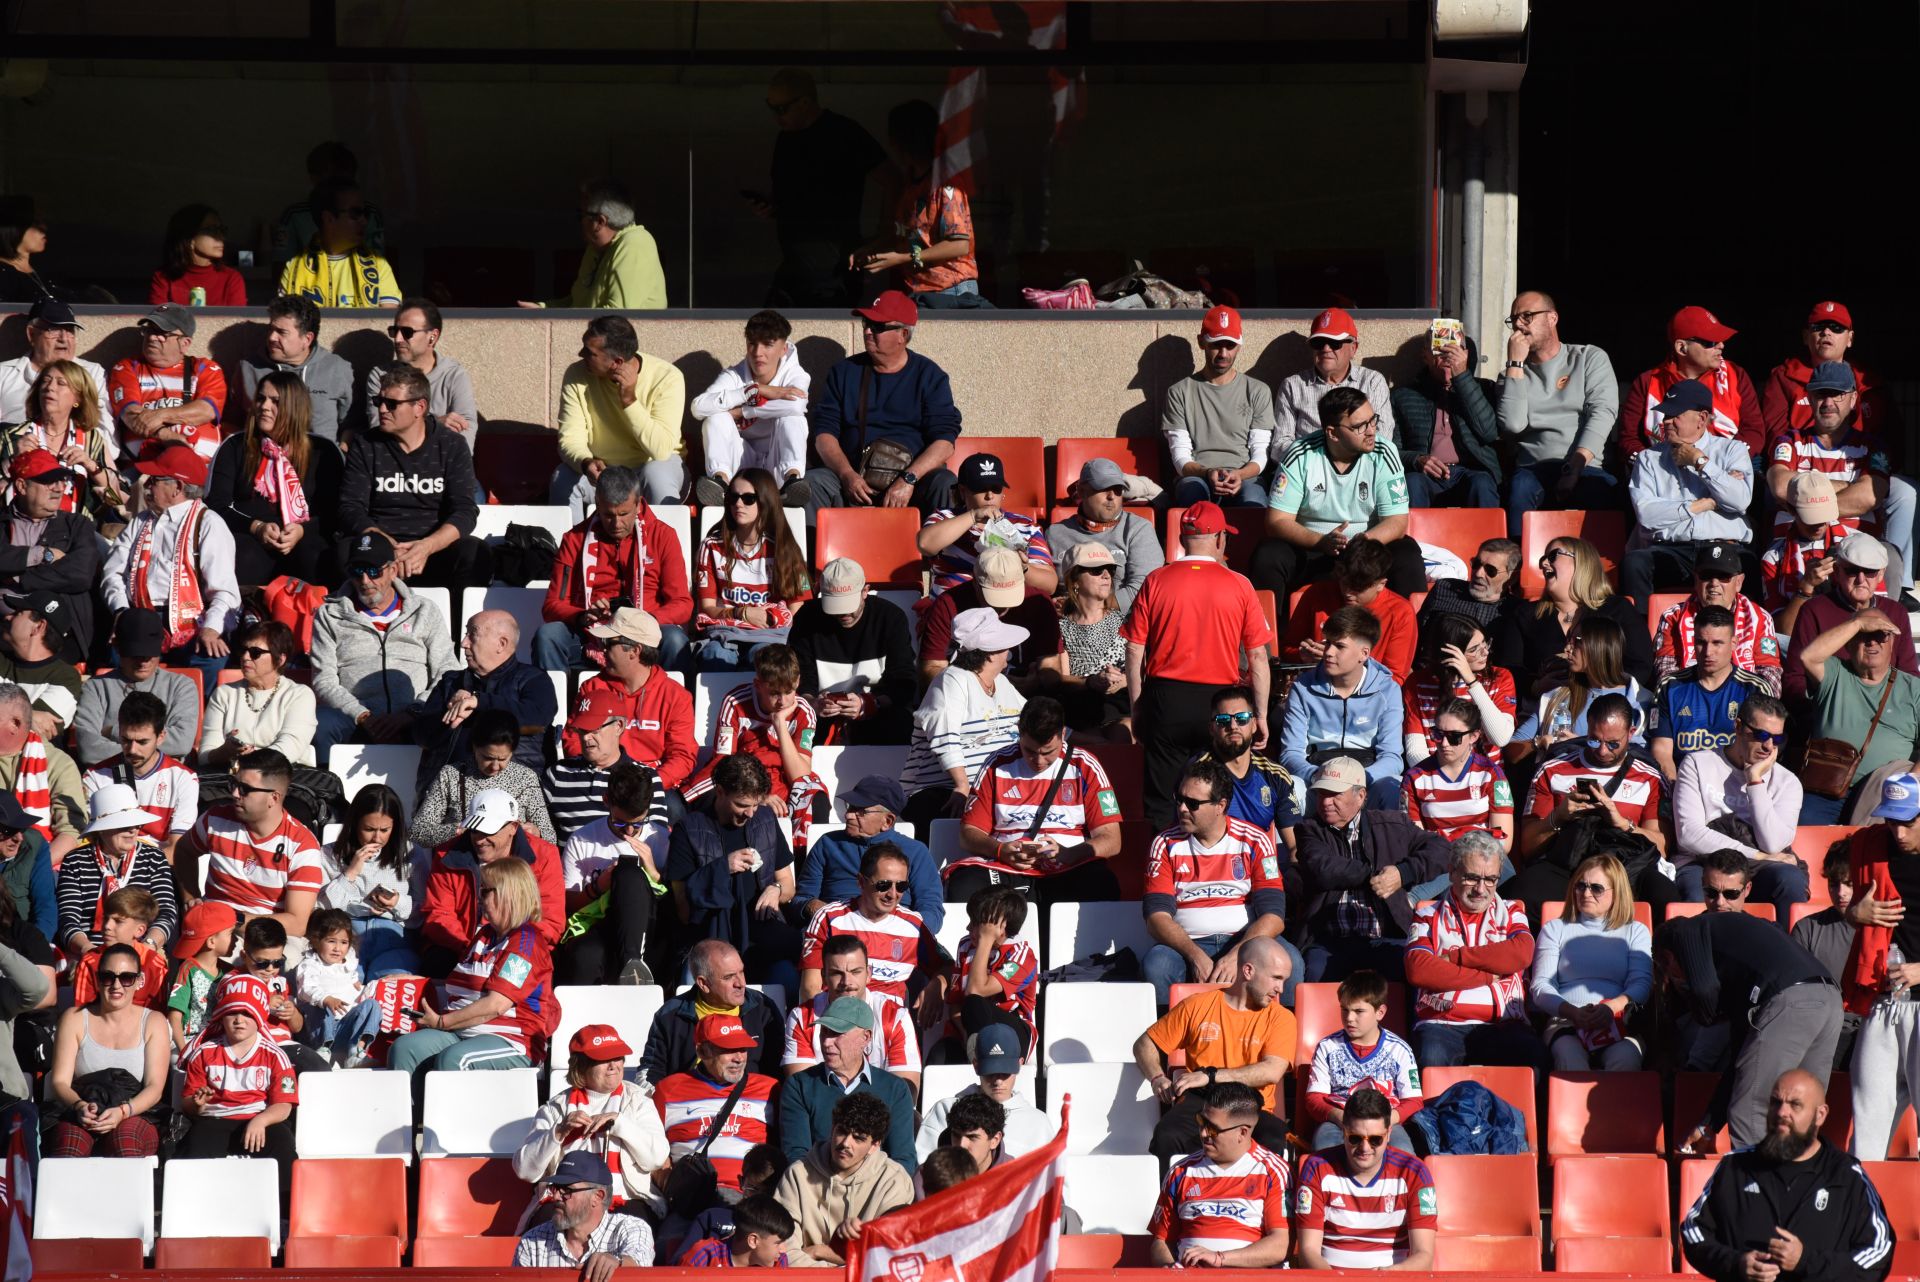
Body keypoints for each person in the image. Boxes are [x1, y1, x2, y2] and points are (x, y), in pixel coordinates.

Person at [1123, 502, 1273, 829]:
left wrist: (1137, 708)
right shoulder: (1240, 584)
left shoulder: (1156, 580)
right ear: (1220, 539)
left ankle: (1161, 870)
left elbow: (1134, 651)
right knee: (1218, 794)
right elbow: (1259, 657)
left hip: (1166, 699)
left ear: (1181, 536)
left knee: (1163, 801)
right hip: (1220, 702)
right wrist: (1259, 715)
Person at [1679, 1069, 1894, 1282]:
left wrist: (1805, 1262)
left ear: (1820, 1115)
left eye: (1795, 1105)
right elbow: (1693, 1231)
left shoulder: (1846, 1176)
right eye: (1775, 1102)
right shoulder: (1735, 1167)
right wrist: (1736, 1264)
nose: (1782, 1112)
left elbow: (1879, 1253)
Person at [1663, 913, 1843, 1151]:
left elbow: (1704, 991)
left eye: (1669, 969)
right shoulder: (1743, 975)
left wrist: (1705, 1016)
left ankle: (1756, 1186)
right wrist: (1709, 1124)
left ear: (1668, 957)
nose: (1676, 977)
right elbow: (1740, 1066)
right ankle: (1800, 1185)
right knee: (1802, 1109)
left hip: (1789, 1000)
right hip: (1829, 999)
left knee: (1749, 1112)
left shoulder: (1684, 931)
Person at [1255, 386, 1424, 613]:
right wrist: (1321, 542)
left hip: (1366, 546)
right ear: (1332, 433)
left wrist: (1362, 541)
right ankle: (1266, 643)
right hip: (1313, 547)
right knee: (1269, 554)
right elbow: (1276, 521)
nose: (1371, 431)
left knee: (1407, 553)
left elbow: (1397, 522)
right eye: (1359, 426)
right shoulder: (1301, 454)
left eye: (1372, 421)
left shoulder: (1385, 452)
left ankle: (1413, 639)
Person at [1143, 760, 1295, 1009]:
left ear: (1220, 806)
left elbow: (1274, 915)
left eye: (1192, 803)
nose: (1181, 808)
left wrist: (1237, 954)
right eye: (1179, 799)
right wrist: (1194, 954)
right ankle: (1166, 1046)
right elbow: (1156, 917)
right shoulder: (1164, 843)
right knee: (1157, 964)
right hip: (1187, 943)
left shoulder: (1255, 840)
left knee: (1292, 962)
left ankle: (1283, 1040)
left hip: (1245, 940)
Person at [947, 696, 1123, 904]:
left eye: (1048, 752)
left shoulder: (1086, 766)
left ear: (1063, 735)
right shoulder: (996, 764)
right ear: (1019, 733)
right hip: (1006, 866)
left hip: (1069, 866)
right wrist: (1000, 850)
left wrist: (1069, 854)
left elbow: (1112, 840)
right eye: (1029, 751)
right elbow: (968, 834)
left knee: (1102, 883)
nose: (1038, 761)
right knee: (963, 885)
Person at [1509, 693, 1670, 920]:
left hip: (1625, 865)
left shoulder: (1649, 778)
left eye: (1613, 743)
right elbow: (1527, 846)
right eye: (1594, 740)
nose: (1603, 751)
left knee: (1665, 896)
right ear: (1587, 731)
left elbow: (1661, 848)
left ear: (1631, 734)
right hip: (1568, 861)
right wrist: (1559, 816)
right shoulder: (1553, 770)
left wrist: (1622, 823)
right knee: (1525, 891)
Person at [1134, 936, 1294, 1162]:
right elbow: (1145, 1044)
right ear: (1248, 971)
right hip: (1202, 1101)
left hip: (1250, 1103)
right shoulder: (1198, 1005)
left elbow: (1272, 1071)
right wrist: (1157, 1077)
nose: (1280, 989)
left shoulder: (1281, 1018)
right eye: (1276, 978)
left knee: (1274, 1137)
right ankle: (1171, 1196)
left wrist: (1210, 1075)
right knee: (1167, 1135)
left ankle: (1263, 1198)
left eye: (1284, 980)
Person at [801, 290, 960, 517]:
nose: (867, 331)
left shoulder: (930, 376)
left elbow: (945, 441)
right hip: (853, 482)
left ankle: (943, 552)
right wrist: (847, 475)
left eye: (877, 326)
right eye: (867, 323)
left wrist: (909, 479)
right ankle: (811, 553)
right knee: (812, 483)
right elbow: (824, 434)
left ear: (902, 334)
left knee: (945, 483)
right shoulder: (844, 373)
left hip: (911, 483)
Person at [392, 856, 555, 1076]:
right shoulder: (485, 936)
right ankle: (413, 1111)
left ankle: (448, 1112)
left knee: (456, 1060)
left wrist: (442, 1021)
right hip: (462, 1032)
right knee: (405, 1049)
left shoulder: (526, 942)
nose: (479, 898)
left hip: (512, 1039)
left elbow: (497, 1004)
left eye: (485, 891)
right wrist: (411, 980)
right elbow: (462, 984)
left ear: (509, 894)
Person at [1295, 758, 1452, 982]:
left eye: (1335, 794)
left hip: (1386, 936)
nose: (1326, 802)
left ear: (1361, 796)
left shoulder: (1392, 824)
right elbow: (1323, 868)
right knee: (1316, 977)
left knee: (1413, 973)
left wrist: (1402, 873)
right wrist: (1376, 876)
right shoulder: (1309, 829)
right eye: (1321, 794)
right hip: (1329, 939)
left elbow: (1442, 849)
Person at [310, 531, 459, 764]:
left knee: (453, 720)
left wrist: (413, 712)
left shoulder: (425, 610)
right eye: (356, 571)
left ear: (392, 570)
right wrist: (362, 715)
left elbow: (447, 670)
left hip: (416, 714)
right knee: (321, 723)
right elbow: (324, 680)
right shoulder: (329, 615)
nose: (365, 581)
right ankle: (328, 796)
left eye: (373, 571)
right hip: (356, 716)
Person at [101, 442, 239, 689]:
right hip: (141, 614)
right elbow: (113, 572)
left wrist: (211, 628)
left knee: (211, 659)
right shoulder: (141, 522)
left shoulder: (208, 524)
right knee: (118, 656)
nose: (147, 486)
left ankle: (190, 722)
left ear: (178, 487)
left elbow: (225, 592)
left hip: (193, 619)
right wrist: (121, 611)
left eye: (154, 480)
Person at [1402, 830, 1544, 1070]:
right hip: (1442, 1024)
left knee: (1534, 1055)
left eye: (1491, 879)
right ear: (1452, 872)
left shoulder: (1511, 911)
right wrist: (1489, 975)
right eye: (1471, 878)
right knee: (1431, 1055)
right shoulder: (1427, 914)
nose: (1481, 888)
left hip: (1503, 1023)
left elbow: (1521, 953)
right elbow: (1419, 970)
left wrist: (1457, 957)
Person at [1765, 360, 1914, 587]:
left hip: (1858, 552)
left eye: (1837, 395)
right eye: (1821, 394)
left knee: (1890, 559)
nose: (1828, 402)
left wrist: (1809, 493)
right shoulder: (1789, 441)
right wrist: (1848, 485)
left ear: (1854, 399)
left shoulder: (1874, 447)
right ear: (1809, 398)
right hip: (1797, 547)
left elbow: (1869, 496)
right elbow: (1780, 487)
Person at [337, 363, 487, 588]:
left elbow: (465, 511)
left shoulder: (452, 445)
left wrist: (426, 547)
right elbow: (350, 507)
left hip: (432, 548)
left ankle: (455, 623)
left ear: (420, 407)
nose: (383, 410)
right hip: (378, 548)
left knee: (476, 554)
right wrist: (384, 545)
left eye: (392, 404)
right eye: (380, 402)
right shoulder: (365, 444)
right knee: (341, 551)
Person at [665, 755, 801, 992]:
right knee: (693, 982)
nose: (750, 813)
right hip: (710, 939)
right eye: (741, 805)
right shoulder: (689, 830)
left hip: (762, 937)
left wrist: (775, 890)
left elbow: (788, 885)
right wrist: (721, 868)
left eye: (755, 804)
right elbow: (683, 910)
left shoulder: (765, 820)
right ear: (720, 791)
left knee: (788, 977)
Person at [1837, 774, 1920, 1161]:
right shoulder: (1869, 845)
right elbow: (1854, 915)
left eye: (1908, 821)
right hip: (1883, 996)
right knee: (1869, 1115)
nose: (1898, 832)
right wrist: (1856, 913)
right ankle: (1863, 1214)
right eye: (1892, 820)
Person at [539, 467, 693, 674]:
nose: (616, 524)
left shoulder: (663, 536)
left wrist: (648, 620)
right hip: (590, 634)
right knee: (548, 635)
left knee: (675, 640)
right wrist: (582, 615)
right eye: (608, 515)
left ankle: (670, 704)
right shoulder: (575, 539)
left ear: (638, 504)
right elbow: (552, 605)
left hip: (646, 632)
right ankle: (558, 705)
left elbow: (683, 604)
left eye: (624, 514)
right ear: (597, 503)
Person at [756, 68, 888, 308]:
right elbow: (786, 192)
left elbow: (893, 181)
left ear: (805, 103)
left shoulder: (844, 133)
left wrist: (882, 236)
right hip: (794, 263)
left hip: (834, 268)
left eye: (782, 109)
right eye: (771, 107)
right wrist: (770, 206)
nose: (776, 116)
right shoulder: (785, 139)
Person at [1494, 290, 1620, 535]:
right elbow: (1512, 425)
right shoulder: (1511, 374)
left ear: (1552, 318)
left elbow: (1602, 413)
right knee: (1519, 490)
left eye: (1527, 316)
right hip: (1533, 467)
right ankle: (1519, 566)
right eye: (1514, 319)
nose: (1519, 324)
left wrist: (1575, 467)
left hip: (1584, 464)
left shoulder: (1588, 358)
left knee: (1604, 492)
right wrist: (1516, 365)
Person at [1673, 693, 1809, 912]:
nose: (1768, 745)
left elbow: (1773, 844)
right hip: (1702, 862)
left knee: (1790, 880)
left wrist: (1755, 781)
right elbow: (1689, 834)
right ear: (1738, 726)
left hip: (1757, 870)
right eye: (1761, 734)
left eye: (1777, 739)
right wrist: (1757, 855)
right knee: (1696, 891)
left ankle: (1788, 946)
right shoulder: (1697, 763)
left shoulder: (1788, 782)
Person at [515, 1025, 670, 1217]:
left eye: (618, 1057)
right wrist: (558, 1133)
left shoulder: (639, 1101)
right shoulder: (555, 1109)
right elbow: (525, 1171)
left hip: (627, 1200)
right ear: (581, 1066)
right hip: (566, 1202)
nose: (613, 1065)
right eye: (604, 1060)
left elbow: (656, 1159)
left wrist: (620, 1124)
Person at [206, 371, 344, 588]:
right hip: (250, 536)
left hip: (304, 537)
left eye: (275, 401)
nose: (264, 406)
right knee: (243, 555)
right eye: (261, 398)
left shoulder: (323, 451)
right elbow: (216, 505)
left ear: (295, 407)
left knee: (315, 557)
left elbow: (335, 511)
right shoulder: (235, 446)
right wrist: (255, 527)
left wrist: (302, 530)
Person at [1625, 381, 1756, 602]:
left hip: (1722, 547)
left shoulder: (1732, 450)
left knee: (1748, 562)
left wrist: (1700, 461)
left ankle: (1750, 633)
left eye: (1674, 415)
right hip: (1670, 550)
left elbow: (1740, 501)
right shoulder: (1649, 457)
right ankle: (1641, 635)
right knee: (1635, 562)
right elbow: (1647, 515)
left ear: (1702, 418)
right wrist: (1707, 504)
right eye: (1665, 415)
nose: (1666, 421)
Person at [900, 608, 1028, 831]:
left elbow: (1035, 723)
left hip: (995, 789)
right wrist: (962, 785)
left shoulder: (1002, 683)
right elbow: (944, 738)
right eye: (1004, 645)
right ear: (990, 652)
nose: (1009, 651)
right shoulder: (951, 680)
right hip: (942, 789)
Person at [44, 941, 171, 1158]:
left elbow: (154, 1087)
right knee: (69, 1148)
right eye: (107, 977)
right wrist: (79, 1106)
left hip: (135, 1109)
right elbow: (60, 1081)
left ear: (139, 981)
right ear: (97, 979)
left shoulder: (153, 1021)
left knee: (126, 1143)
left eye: (126, 977)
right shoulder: (74, 1018)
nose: (116, 985)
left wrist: (123, 1111)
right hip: (83, 1105)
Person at [1146, 1081, 1291, 1270]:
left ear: (1242, 1132)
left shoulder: (1274, 1172)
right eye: (1201, 1121)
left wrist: (1219, 1258)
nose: (1204, 1133)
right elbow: (1161, 1242)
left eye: (1213, 1128)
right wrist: (1169, 1267)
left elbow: (1280, 1246)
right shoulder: (1180, 1171)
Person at [180, 747, 323, 939]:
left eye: (245, 789)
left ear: (274, 797)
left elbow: (297, 924)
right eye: (234, 784)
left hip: (268, 937)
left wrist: (234, 919)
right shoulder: (214, 819)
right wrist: (191, 898)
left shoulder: (302, 845)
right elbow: (183, 852)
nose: (235, 793)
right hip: (213, 930)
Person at [851, 99, 982, 307]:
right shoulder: (911, 182)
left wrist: (902, 258)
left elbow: (959, 244)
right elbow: (908, 234)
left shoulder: (946, 182)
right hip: (921, 289)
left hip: (950, 291)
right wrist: (873, 248)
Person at [419, 788, 565, 974]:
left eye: (488, 831)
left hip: (520, 948)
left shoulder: (544, 856)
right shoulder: (447, 855)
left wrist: (506, 948)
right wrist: (473, 949)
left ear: (513, 827)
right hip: (460, 947)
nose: (479, 840)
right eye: (474, 830)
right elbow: (438, 915)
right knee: (437, 961)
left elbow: (550, 922)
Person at [177, 975, 298, 1200]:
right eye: (232, 1013)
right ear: (221, 1017)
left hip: (259, 1121)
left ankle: (285, 1215)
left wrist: (261, 1120)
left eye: (247, 1013)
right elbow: (187, 1102)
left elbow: (283, 1105)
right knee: (194, 1145)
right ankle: (191, 1208)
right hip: (215, 1120)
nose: (239, 1020)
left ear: (259, 1016)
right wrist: (197, 1104)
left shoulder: (275, 1056)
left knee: (283, 1143)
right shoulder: (204, 1053)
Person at [1527, 853, 1652, 1069]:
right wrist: (1572, 1012)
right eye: (1580, 886)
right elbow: (1540, 987)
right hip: (1565, 1021)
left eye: (1596, 888)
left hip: (1617, 1020)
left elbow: (1641, 984)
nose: (1586, 893)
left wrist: (1611, 1008)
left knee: (1626, 1057)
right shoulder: (1555, 929)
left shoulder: (1635, 931)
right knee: (1570, 1056)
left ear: (1617, 893)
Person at [1798, 606, 1920, 824]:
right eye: (1863, 635)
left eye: (1879, 635)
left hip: (1885, 792)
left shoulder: (1914, 689)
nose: (1871, 642)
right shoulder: (1835, 672)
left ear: (1892, 642)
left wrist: (1910, 783)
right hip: (1826, 789)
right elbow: (1808, 657)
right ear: (1849, 641)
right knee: (1806, 834)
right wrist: (1857, 623)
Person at [1294, 1088, 1438, 1271]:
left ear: (1389, 1134)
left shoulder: (1414, 1172)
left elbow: (1424, 1257)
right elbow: (1308, 1252)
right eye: (1355, 1138)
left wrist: (1390, 1275)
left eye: (1375, 1140)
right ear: (1344, 1131)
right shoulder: (1316, 1168)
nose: (1364, 1147)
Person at [553, 315, 686, 510]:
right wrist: (585, 462)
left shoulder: (667, 377)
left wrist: (629, 401)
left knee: (656, 474)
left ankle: (664, 541)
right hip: (603, 472)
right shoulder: (576, 374)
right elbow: (570, 438)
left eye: (589, 352)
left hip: (652, 466)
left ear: (616, 362)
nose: (580, 354)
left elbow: (661, 450)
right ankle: (568, 541)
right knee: (563, 477)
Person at [1279, 606, 1404, 813]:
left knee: (1394, 787)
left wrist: (1357, 782)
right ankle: (1292, 847)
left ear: (1364, 654)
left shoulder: (1388, 690)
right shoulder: (1303, 687)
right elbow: (1291, 753)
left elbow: (1391, 756)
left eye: (1339, 646)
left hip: (1366, 777)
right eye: (1327, 642)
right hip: (1317, 776)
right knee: (1291, 787)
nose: (1328, 652)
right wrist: (1318, 776)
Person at [554, 761, 665, 987]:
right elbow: (567, 903)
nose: (630, 831)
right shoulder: (582, 838)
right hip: (598, 925)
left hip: (645, 928)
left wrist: (653, 873)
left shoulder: (660, 838)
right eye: (620, 822)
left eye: (638, 822)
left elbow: (672, 906)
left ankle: (632, 964)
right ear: (606, 801)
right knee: (585, 954)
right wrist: (599, 887)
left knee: (629, 872)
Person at [774, 1091, 914, 1267]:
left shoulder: (894, 1181)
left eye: (858, 1138)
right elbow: (782, 1251)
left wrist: (820, 1251)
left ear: (874, 1145)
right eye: (842, 1131)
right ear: (832, 1129)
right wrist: (830, 1275)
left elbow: (887, 1257)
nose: (846, 1143)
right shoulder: (797, 1175)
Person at [777, 997, 918, 1171]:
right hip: (817, 1192)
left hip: (878, 1193)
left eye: (837, 1033)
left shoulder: (895, 1089)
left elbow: (904, 1161)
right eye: (824, 1032)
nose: (827, 1042)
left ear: (865, 1037)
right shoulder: (799, 1086)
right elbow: (796, 1157)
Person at [417, 610, 558, 783]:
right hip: (450, 790)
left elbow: (537, 718)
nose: (463, 643)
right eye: (465, 634)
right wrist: (451, 712)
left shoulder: (534, 679)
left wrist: (479, 702)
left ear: (501, 644)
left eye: (472, 635)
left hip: (512, 791)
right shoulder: (451, 681)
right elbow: (421, 734)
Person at [564, 608, 696, 793]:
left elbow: (682, 756)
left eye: (609, 643)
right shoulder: (592, 688)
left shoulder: (676, 696)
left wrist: (650, 784)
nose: (602, 649)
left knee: (673, 810)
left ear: (634, 650)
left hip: (652, 785)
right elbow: (573, 739)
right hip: (600, 779)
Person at [788, 558, 916, 746]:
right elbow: (801, 678)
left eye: (848, 605)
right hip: (822, 711)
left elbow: (903, 682)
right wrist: (813, 704)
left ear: (865, 591)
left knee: (900, 722)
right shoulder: (807, 619)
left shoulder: (890, 618)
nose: (843, 614)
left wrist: (871, 703)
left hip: (878, 709)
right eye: (835, 607)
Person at [690, 310, 812, 507]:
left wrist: (744, 411)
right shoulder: (735, 374)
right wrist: (751, 390)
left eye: (767, 345)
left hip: (776, 462)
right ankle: (720, 483)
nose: (757, 353)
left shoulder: (796, 374)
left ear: (783, 349)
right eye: (752, 343)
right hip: (741, 461)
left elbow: (797, 406)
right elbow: (698, 408)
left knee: (793, 418)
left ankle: (792, 481)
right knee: (715, 419)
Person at [693, 471, 813, 669]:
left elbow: (799, 610)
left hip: (770, 634)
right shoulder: (712, 546)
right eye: (733, 497)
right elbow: (707, 608)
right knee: (714, 655)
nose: (738, 504)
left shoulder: (785, 549)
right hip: (725, 632)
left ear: (765, 502)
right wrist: (742, 613)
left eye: (748, 498)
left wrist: (771, 620)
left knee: (765, 658)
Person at [1784, 532, 1920, 704]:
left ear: (1881, 574)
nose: (1861, 579)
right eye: (1852, 571)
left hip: (1885, 712)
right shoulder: (1814, 610)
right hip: (1831, 712)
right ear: (1837, 571)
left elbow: (1909, 675)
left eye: (1870, 571)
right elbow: (1795, 680)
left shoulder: (1896, 612)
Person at [799, 844, 942, 1008]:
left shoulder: (914, 925)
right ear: (861, 882)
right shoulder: (829, 918)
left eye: (901, 886)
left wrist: (937, 985)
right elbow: (810, 988)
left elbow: (945, 966)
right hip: (838, 1018)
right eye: (883, 885)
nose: (892, 894)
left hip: (890, 1025)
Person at [1621, 305, 1766, 464]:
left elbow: (1753, 432)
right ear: (1681, 348)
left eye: (1721, 340)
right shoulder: (1647, 382)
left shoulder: (1736, 375)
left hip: (1726, 464)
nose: (1721, 345)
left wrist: (1711, 462)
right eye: (1711, 341)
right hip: (1664, 470)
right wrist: (1660, 466)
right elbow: (1629, 439)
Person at [651, 1014, 780, 1195]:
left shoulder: (770, 1088)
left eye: (742, 1049)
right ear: (702, 1052)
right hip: (692, 1198)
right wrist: (671, 1186)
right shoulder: (668, 1090)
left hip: (750, 1198)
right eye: (728, 1050)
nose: (739, 1058)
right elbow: (652, 1151)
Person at [1161, 305, 1274, 509]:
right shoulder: (1179, 392)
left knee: (1254, 503)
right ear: (1201, 342)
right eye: (1216, 345)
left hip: (1244, 476)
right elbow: (1180, 457)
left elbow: (1260, 453)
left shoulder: (1257, 390)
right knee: (1192, 497)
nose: (1223, 353)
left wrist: (1239, 474)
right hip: (1197, 477)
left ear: (1239, 345)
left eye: (1230, 346)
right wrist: (1207, 473)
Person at [1516, 536, 1656, 698]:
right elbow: (1511, 669)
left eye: (1553, 556)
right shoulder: (1526, 615)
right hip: (1546, 709)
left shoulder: (1618, 609)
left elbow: (1641, 666)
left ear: (1581, 562)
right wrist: (1536, 686)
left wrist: (1604, 692)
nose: (1543, 564)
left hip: (1610, 706)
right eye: (1543, 559)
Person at [56, 781, 180, 960]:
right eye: (124, 825)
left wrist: (147, 947)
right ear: (101, 829)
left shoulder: (154, 858)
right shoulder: (75, 861)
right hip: (89, 950)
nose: (133, 830)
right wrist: (90, 952)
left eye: (137, 823)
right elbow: (68, 918)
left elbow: (166, 911)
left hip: (144, 948)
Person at [797, 776, 940, 929]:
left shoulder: (916, 851)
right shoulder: (828, 844)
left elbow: (931, 911)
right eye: (850, 807)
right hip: (835, 932)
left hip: (894, 936)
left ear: (888, 821)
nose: (848, 815)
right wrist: (819, 910)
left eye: (860, 811)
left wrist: (899, 931)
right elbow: (801, 899)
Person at [1302, 970, 1421, 1151]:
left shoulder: (1399, 1050)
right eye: (1344, 1009)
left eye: (1359, 1011)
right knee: (1324, 1149)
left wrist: (1386, 1121)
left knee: (1403, 1152)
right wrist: (1341, 1118)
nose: (1349, 1018)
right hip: (1338, 1122)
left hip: (1386, 1123)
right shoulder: (1327, 1047)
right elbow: (1314, 1098)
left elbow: (1413, 1101)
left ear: (1380, 1012)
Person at [1649, 604, 1770, 781]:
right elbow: (1661, 753)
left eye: (1717, 643)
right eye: (1701, 643)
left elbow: (1763, 753)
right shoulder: (1669, 687)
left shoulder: (1755, 689)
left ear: (1734, 643)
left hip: (1738, 790)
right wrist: (1678, 792)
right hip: (1684, 786)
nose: (1708, 652)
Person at [916, 545, 1062, 690]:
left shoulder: (1038, 602)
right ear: (975, 583)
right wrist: (983, 687)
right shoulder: (948, 603)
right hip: (966, 700)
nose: (1003, 606)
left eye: (1010, 594)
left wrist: (1036, 683)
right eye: (995, 596)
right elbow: (931, 669)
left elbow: (1050, 668)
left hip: (1025, 697)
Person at [639, 939, 785, 1083]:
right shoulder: (670, 1015)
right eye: (729, 977)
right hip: (688, 1101)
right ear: (703, 983)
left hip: (748, 1101)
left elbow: (779, 1070)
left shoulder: (763, 1009)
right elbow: (650, 1072)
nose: (741, 983)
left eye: (741, 972)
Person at [785, 934, 922, 1086]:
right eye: (837, 973)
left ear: (868, 974)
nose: (847, 982)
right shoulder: (802, 1018)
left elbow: (906, 1093)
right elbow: (802, 1090)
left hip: (881, 1109)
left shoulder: (895, 1017)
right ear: (823, 976)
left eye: (855, 972)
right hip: (823, 1109)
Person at [413, 707, 557, 849]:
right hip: (461, 866)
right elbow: (419, 831)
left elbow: (550, 837)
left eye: (503, 759)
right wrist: (460, 830)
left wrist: (536, 833)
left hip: (511, 868)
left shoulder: (526, 778)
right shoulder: (451, 775)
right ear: (474, 747)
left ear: (512, 752)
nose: (495, 766)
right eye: (487, 758)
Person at [318, 784, 422, 979]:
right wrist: (350, 873)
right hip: (344, 942)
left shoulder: (411, 854)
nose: (377, 837)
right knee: (341, 989)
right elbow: (321, 907)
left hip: (393, 939)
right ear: (354, 823)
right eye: (369, 829)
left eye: (385, 830)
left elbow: (424, 910)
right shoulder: (330, 854)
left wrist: (397, 902)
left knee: (390, 989)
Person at [1282, 537, 1419, 684]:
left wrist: (1343, 663)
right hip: (1315, 689)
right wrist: (1302, 655)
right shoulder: (1317, 594)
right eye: (1345, 583)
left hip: (1369, 699)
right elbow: (1287, 650)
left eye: (1358, 588)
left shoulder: (1400, 612)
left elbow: (1394, 678)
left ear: (1381, 584)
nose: (1348, 592)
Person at [106, 304, 226, 470]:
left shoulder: (205, 369)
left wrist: (159, 415)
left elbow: (206, 410)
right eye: (149, 330)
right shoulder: (127, 367)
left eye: (162, 333)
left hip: (200, 471)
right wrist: (167, 436)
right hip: (141, 469)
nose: (152, 337)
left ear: (185, 343)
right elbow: (132, 415)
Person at [919, 453, 1056, 599]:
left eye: (996, 488)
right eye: (980, 488)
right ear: (962, 491)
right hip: (952, 609)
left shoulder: (1025, 526)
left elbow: (1050, 585)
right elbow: (925, 544)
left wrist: (1021, 567)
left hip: (1005, 611)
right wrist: (973, 516)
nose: (990, 496)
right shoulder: (945, 517)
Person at [1393, 325, 1501, 509]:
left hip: (1472, 471)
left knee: (1482, 484)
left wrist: (1462, 377)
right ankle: (1412, 539)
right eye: (1438, 349)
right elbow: (1391, 448)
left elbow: (1488, 433)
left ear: (1465, 354)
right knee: (1411, 483)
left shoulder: (1485, 389)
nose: (1446, 355)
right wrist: (1417, 459)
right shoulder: (1403, 395)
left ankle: (1491, 539)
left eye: (1453, 349)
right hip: (1426, 474)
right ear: (1425, 355)